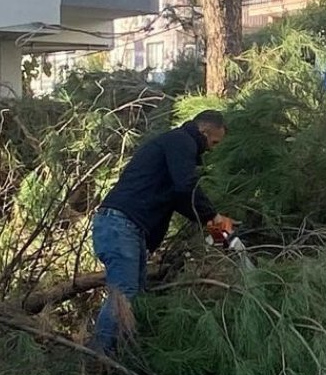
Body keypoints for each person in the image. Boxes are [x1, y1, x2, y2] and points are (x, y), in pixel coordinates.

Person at [90, 110, 234, 354]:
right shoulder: (181, 142)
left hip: (128, 227)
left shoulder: (176, 147)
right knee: (124, 294)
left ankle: (123, 357)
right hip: (120, 224)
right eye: (213, 142)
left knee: (136, 297)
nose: (212, 149)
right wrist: (213, 216)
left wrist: (214, 227)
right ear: (204, 132)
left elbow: (181, 199)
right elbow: (185, 186)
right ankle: (98, 358)